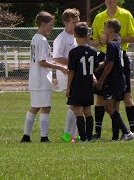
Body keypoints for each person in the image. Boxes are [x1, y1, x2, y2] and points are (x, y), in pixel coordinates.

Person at [91, 0, 134, 139]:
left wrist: (118, 39)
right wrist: (101, 41)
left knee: (125, 96)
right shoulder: (99, 17)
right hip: (104, 56)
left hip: (118, 61)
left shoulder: (125, 15)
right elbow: (92, 41)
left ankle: (129, 132)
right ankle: (99, 133)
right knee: (101, 97)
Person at [20, 11, 68, 143]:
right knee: (46, 107)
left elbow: (44, 60)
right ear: (42, 24)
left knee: (35, 106)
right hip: (41, 78)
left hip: (35, 78)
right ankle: (44, 137)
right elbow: (42, 62)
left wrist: (57, 64)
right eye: (50, 25)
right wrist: (61, 67)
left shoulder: (35, 38)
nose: (51, 28)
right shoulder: (42, 40)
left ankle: (26, 136)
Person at [95, 18, 134, 141]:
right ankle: (116, 136)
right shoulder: (117, 42)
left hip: (114, 80)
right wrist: (97, 66)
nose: (103, 30)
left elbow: (110, 64)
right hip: (119, 80)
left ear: (110, 30)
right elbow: (108, 61)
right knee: (114, 107)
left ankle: (127, 132)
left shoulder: (111, 44)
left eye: (105, 28)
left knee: (108, 107)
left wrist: (101, 80)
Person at [66, 22, 99, 142]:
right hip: (88, 85)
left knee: (77, 110)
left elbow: (71, 71)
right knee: (88, 111)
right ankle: (89, 137)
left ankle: (83, 137)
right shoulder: (93, 51)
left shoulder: (73, 52)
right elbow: (95, 68)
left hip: (77, 85)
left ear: (75, 35)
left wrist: (68, 87)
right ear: (87, 35)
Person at [53, 8, 80, 142]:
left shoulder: (75, 37)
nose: (77, 25)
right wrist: (75, 61)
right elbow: (57, 58)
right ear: (66, 23)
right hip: (65, 74)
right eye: (74, 22)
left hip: (75, 74)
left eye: (77, 21)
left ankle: (73, 135)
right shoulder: (61, 38)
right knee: (73, 105)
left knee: (77, 105)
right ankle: (67, 135)